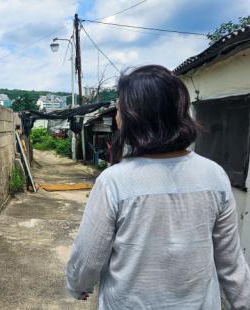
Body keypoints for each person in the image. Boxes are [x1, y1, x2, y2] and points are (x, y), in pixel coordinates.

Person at [66, 65, 250, 309]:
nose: (116, 117)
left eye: (120, 109)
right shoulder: (214, 175)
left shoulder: (114, 181)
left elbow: (89, 257)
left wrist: (79, 285)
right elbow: (231, 261)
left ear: (134, 118)